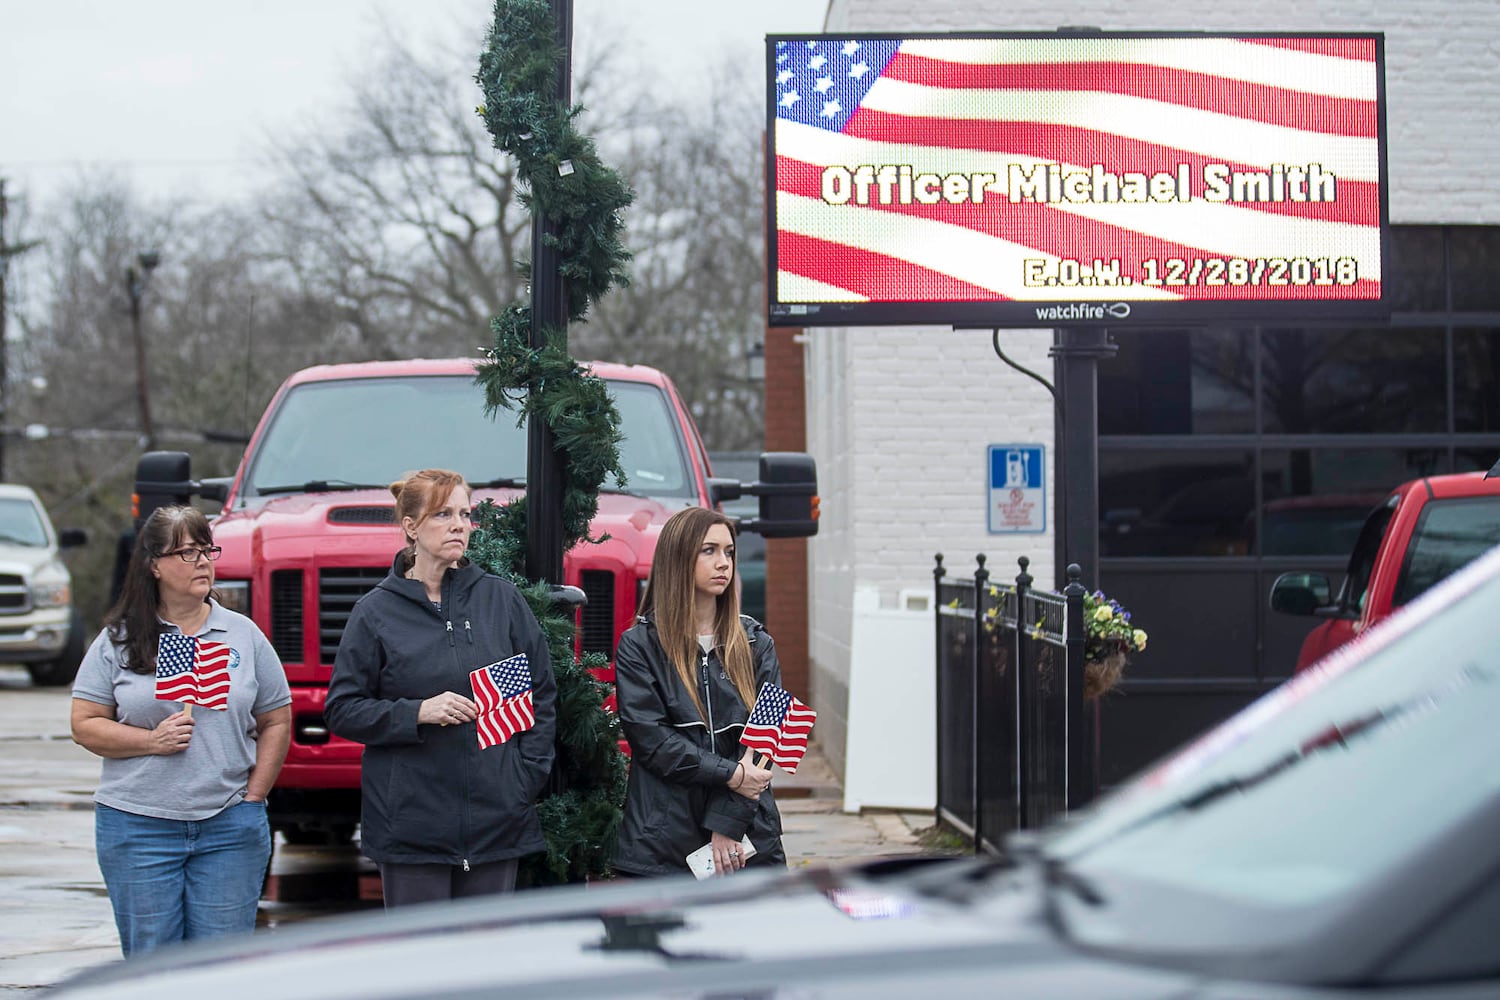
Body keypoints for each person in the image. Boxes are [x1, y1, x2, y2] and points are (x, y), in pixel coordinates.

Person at [325, 469, 556, 907]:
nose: (459, 525)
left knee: (485, 964)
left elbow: (541, 694)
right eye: (443, 514)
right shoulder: (374, 613)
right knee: (423, 970)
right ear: (410, 527)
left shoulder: (501, 601)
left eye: (465, 514)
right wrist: (416, 712)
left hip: (496, 823)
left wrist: (523, 781)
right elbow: (343, 709)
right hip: (412, 828)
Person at [70, 506, 291, 956]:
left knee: (220, 967)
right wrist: (151, 741)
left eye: (207, 549)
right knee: (154, 966)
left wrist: (255, 796)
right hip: (138, 826)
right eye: (188, 552)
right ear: (154, 564)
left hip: (229, 825)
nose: (204, 562)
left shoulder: (242, 634)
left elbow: (276, 718)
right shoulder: (120, 637)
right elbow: (84, 724)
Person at [612, 506, 785, 878]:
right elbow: (653, 742)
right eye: (709, 551)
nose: (723, 562)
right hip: (663, 839)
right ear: (679, 558)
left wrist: (727, 824)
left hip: (749, 837)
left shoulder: (757, 642)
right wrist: (732, 774)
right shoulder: (640, 646)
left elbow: (768, 740)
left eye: (729, 552)